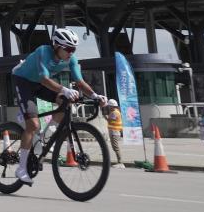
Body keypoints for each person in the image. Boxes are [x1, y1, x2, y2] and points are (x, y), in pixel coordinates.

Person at [11, 28, 106, 185]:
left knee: (66, 102)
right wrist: (65, 89)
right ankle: (21, 169)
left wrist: (95, 96)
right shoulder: (43, 51)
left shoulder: (71, 59)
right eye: (68, 49)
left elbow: (80, 82)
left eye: (74, 49)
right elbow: (44, 79)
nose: (71, 52)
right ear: (56, 46)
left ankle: (47, 135)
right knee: (33, 124)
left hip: (40, 83)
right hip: (23, 81)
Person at [103, 98, 124, 168]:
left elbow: (109, 120)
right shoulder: (115, 111)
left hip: (114, 132)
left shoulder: (114, 112)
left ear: (112, 106)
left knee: (116, 147)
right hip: (114, 131)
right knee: (115, 147)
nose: (108, 107)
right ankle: (119, 161)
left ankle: (120, 162)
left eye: (109, 106)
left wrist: (104, 116)